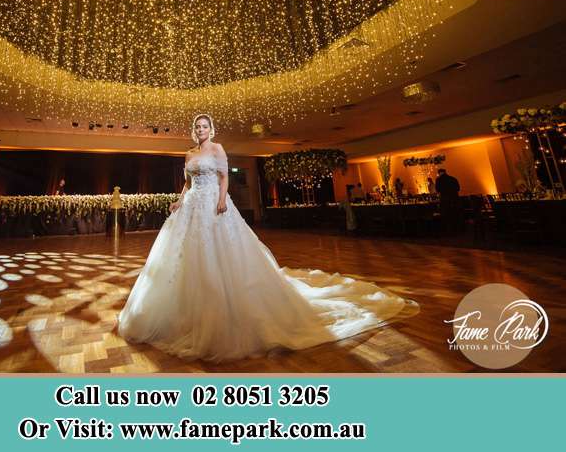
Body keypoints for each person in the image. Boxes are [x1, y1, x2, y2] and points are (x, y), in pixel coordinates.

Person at [117, 113, 414, 362]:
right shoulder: (190, 154)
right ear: (193, 131)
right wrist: (179, 201)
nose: (200, 131)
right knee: (185, 257)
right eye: (197, 127)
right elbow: (186, 182)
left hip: (214, 204)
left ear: (211, 130)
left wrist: (222, 200)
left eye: (204, 127)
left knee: (222, 254)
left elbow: (224, 177)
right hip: (193, 205)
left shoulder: (217, 149)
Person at [435, 168, 460, 234]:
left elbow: (437, 190)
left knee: (446, 215)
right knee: (454, 214)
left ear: (439, 173)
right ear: (445, 172)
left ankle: (448, 230)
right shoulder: (453, 178)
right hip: (454, 199)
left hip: (445, 200)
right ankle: (456, 229)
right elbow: (458, 188)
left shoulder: (438, 180)